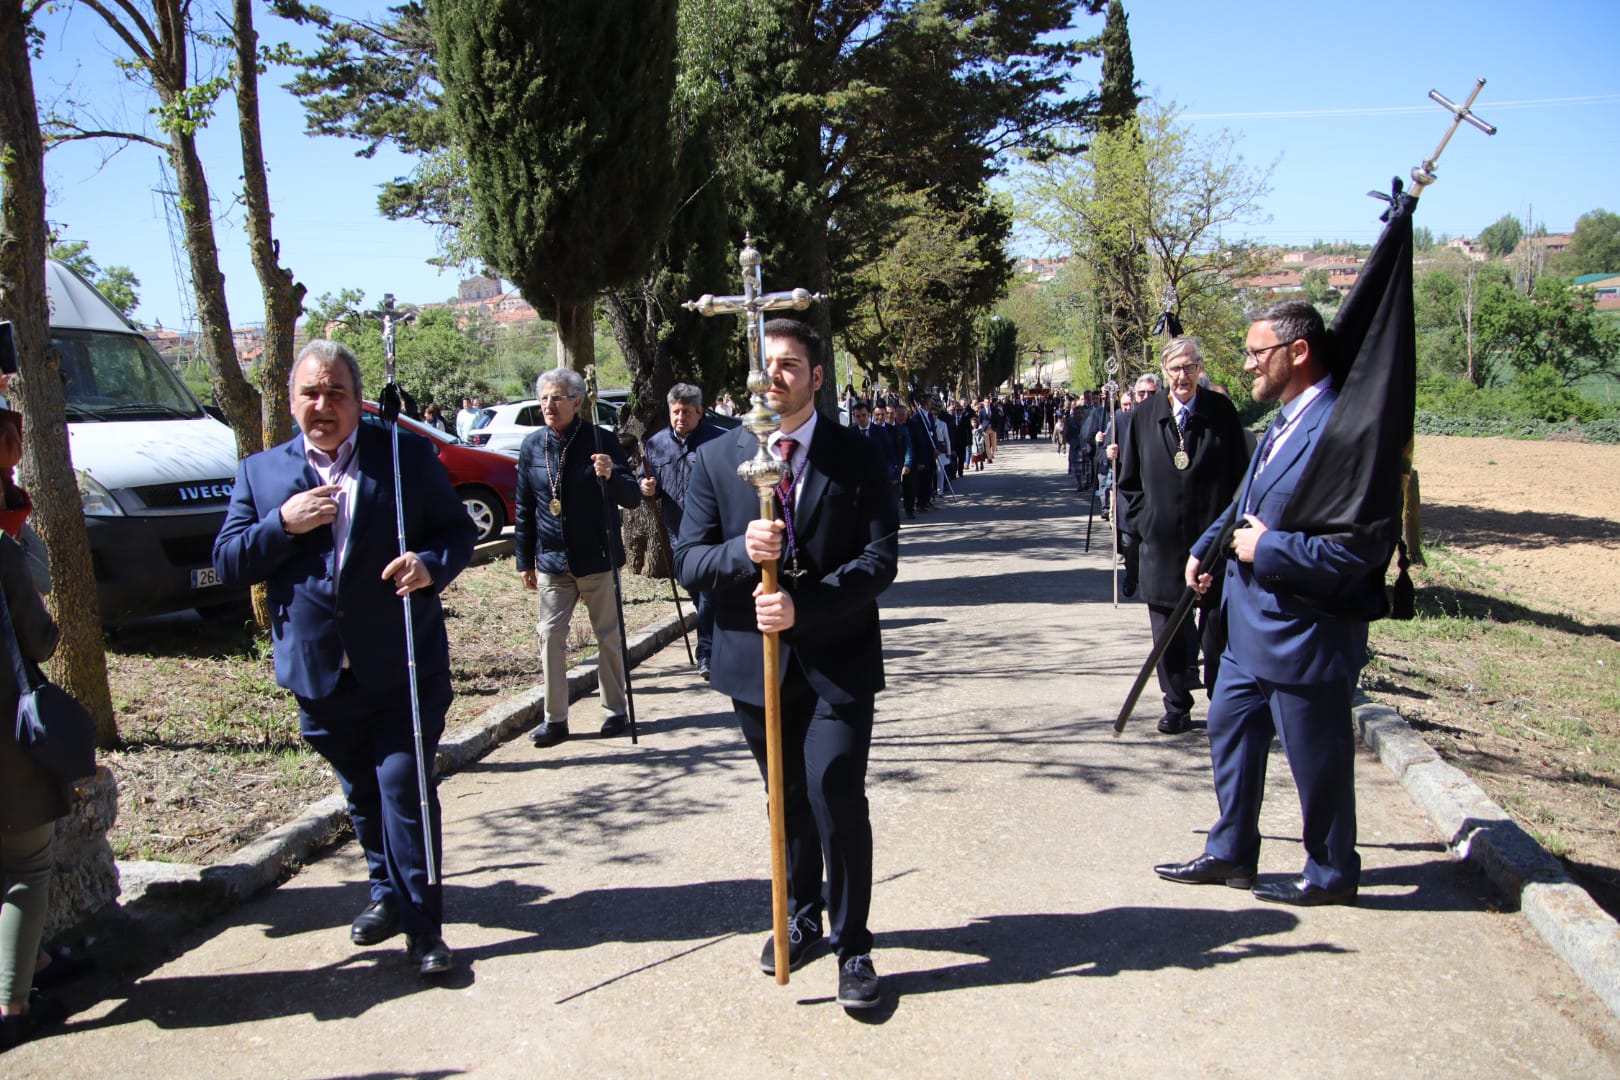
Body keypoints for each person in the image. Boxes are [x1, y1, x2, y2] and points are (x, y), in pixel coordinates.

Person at [214, 340, 476, 977]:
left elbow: (457, 531)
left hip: (402, 663)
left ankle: (424, 931)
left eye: (336, 392)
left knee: (404, 788)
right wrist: (282, 524)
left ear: (359, 401)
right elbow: (227, 560)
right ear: (291, 401)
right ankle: (386, 893)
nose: (323, 405)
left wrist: (429, 565)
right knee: (360, 790)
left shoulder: (404, 455)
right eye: (311, 392)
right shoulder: (261, 473)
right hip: (320, 670)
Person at [675, 318, 899, 1011]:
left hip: (838, 656)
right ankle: (801, 913)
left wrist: (807, 606)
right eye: (766, 364)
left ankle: (853, 943)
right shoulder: (717, 458)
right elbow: (689, 559)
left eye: (790, 365)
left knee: (835, 789)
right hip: (755, 662)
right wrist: (742, 551)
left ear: (816, 376)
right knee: (787, 797)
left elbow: (880, 560)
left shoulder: (855, 454)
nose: (773, 377)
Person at [1156, 300, 1389, 906]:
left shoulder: (1342, 429)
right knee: (1229, 728)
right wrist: (1206, 548)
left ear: (1298, 351)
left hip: (1304, 634)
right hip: (1248, 629)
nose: (1248, 365)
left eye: (1258, 353)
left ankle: (1331, 873)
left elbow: (1362, 548)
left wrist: (1271, 549)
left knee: (1317, 762)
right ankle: (1232, 851)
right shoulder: (1284, 419)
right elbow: (1245, 502)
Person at [1116, 337, 1249, 736]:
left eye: (1190, 367)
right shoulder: (1144, 416)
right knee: (1167, 634)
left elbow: (1241, 479)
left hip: (1213, 547)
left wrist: (1228, 532)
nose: (1182, 376)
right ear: (1164, 371)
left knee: (1216, 632)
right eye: (1175, 368)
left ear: (1199, 369)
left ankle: (1221, 704)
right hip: (1161, 546)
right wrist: (1144, 523)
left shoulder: (1220, 411)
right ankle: (1176, 705)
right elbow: (1129, 483)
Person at [516, 368, 641, 748]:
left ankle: (615, 710)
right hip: (552, 560)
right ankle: (555, 719)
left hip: (597, 556)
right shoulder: (532, 446)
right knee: (549, 635)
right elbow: (524, 507)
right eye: (543, 398)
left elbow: (631, 497)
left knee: (608, 637)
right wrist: (524, 559)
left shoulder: (600, 440)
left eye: (556, 398)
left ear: (576, 401)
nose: (548, 405)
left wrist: (611, 474)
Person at [0, 406, 68, 1053]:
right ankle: (12, 1006)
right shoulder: (5, 550)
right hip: (7, 736)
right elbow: (41, 639)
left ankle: (37, 962)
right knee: (27, 864)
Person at [640, 383, 726, 680]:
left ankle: (707, 654)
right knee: (698, 592)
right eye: (675, 411)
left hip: (713, 532)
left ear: (700, 412)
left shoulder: (718, 441)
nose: (680, 417)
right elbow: (647, 482)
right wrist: (646, 487)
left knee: (708, 591)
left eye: (686, 412)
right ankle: (718, 640)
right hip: (677, 533)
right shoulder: (656, 444)